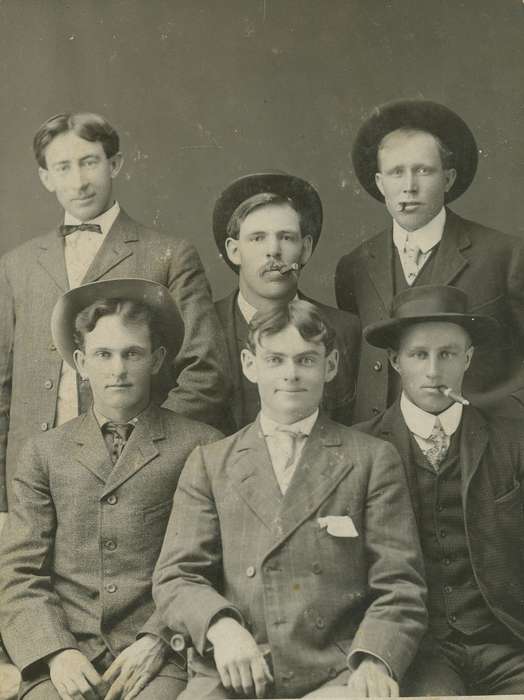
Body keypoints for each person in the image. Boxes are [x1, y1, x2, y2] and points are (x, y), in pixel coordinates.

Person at [152, 300, 427, 699]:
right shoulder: (211, 463)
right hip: (236, 669)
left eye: (306, 360)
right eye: (275, 359)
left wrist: (373, 658)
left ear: (330, 366)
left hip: (336, 669)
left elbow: (400, 584)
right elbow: (177, 576)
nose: (291, 375)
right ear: (250, 364)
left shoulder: (370, 459)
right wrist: (222, 629)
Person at [0, 111, 229, 525]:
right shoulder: (15, 267)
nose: (79, 181)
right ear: (45, 177)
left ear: (115, 164)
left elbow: (206, 373)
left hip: (136, 478)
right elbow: (1, 389)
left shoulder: (169, 254)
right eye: (63, 167)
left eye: (89, 162)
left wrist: (146, 450)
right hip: (32, 484)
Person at [0, 278, 222, 700]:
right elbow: (19, 572)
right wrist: (55, 651)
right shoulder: (44, 452)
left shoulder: (200, 445)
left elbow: (211, 564)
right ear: (81, 363)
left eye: (131, 354)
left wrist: (159, 638)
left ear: (156, 360)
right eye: (103, 355)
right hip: (65, 655)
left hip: (160, 656)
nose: (117, 370)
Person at [356, 284, 524, 695]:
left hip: (505, 641)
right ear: (396, 361)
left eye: (447, 354)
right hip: (419, 650)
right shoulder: (360, 448)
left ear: (468, 358)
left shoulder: (512, 440)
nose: (433, 371)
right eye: (419, 355)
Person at [335, 99, 524, 422]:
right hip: (380, 447)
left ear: (448, 179)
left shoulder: (505, 255)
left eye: (423, 170)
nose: (409, 187)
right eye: (396, 173)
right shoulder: (355, 266)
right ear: (381, 184)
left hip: (478, 446)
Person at [213, 171, 360, 431]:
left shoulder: (345, 330)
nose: (274, 250)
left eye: (286, 237)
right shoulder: (204, 328)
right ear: (234, 251)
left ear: (305, 249)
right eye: (258, 238)